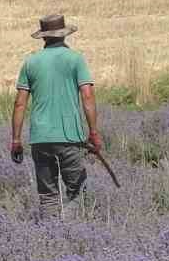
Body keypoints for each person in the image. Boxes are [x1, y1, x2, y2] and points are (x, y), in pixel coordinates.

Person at [9, 14, 103, 218]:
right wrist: (94, 132)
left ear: (43, 37)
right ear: (64, 35)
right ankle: (71, 234)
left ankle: (51, 237)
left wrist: (16, 140)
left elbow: (20, 103)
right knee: (76, 192)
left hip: (40, 139)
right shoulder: (76, 59)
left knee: (48, 196)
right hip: (70, 137)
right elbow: (87, 95)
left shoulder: (30, 63)